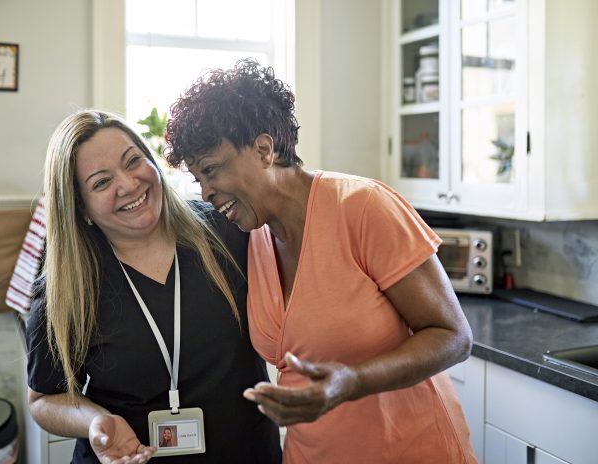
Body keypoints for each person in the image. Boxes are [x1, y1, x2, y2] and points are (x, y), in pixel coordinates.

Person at [165, 59, 478, 463]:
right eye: (197, 179)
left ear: (264, 149)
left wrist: (353, 381)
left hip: (410, 449)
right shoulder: (252, 235)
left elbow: (453, 336)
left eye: (211, 170)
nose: (206, 192)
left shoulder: (362, 207)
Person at [26, 109, 281, 464]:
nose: (129, 185)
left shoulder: (226, 231)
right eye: (101, 182)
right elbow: (43, 399)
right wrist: (96, 421)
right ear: (80, 208)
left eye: (133, 161)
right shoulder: (68, 284)